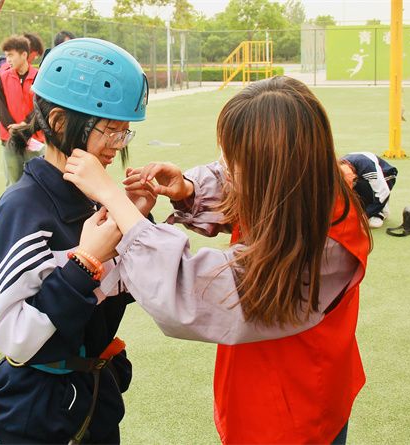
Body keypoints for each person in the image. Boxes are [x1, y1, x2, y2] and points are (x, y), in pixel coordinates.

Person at [64, 76, 372, 444]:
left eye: (235, 161)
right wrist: (188, 189)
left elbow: (194, 293)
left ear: (273, 169)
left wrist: (113, 198)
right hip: (272, 389)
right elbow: (235, 186)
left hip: (296, 411)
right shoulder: (304, 184)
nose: (226, 170)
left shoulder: (327, 242)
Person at [0, 38, 149, 444]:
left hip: (92, 397)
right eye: (110, 130)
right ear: (58, 122)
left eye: (125, 133)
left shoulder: (96, 196)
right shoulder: (24, 209)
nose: (117, 145)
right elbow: (16, 339)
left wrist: (137, 215)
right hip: (39, 412)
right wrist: (85, 262)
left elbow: (136, 288)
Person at [0, 35, 45, 186]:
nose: (8, 60)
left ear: (24, 54)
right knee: (14, 183)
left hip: (34, 137)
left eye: (11, 55)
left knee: (39, 181)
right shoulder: (3, 78)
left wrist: (25, 124)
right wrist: (12, 126)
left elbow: (41, 105)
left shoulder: (39, 77)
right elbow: (1, 107)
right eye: (6, 56)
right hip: (10, 137)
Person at [339, 152, 398, 228]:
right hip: (361, 175)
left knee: (369, 188)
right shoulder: (337, 169)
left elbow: (384, 191)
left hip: (386, 174)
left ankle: (378, 212)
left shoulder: (367, 167)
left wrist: (366, 215)